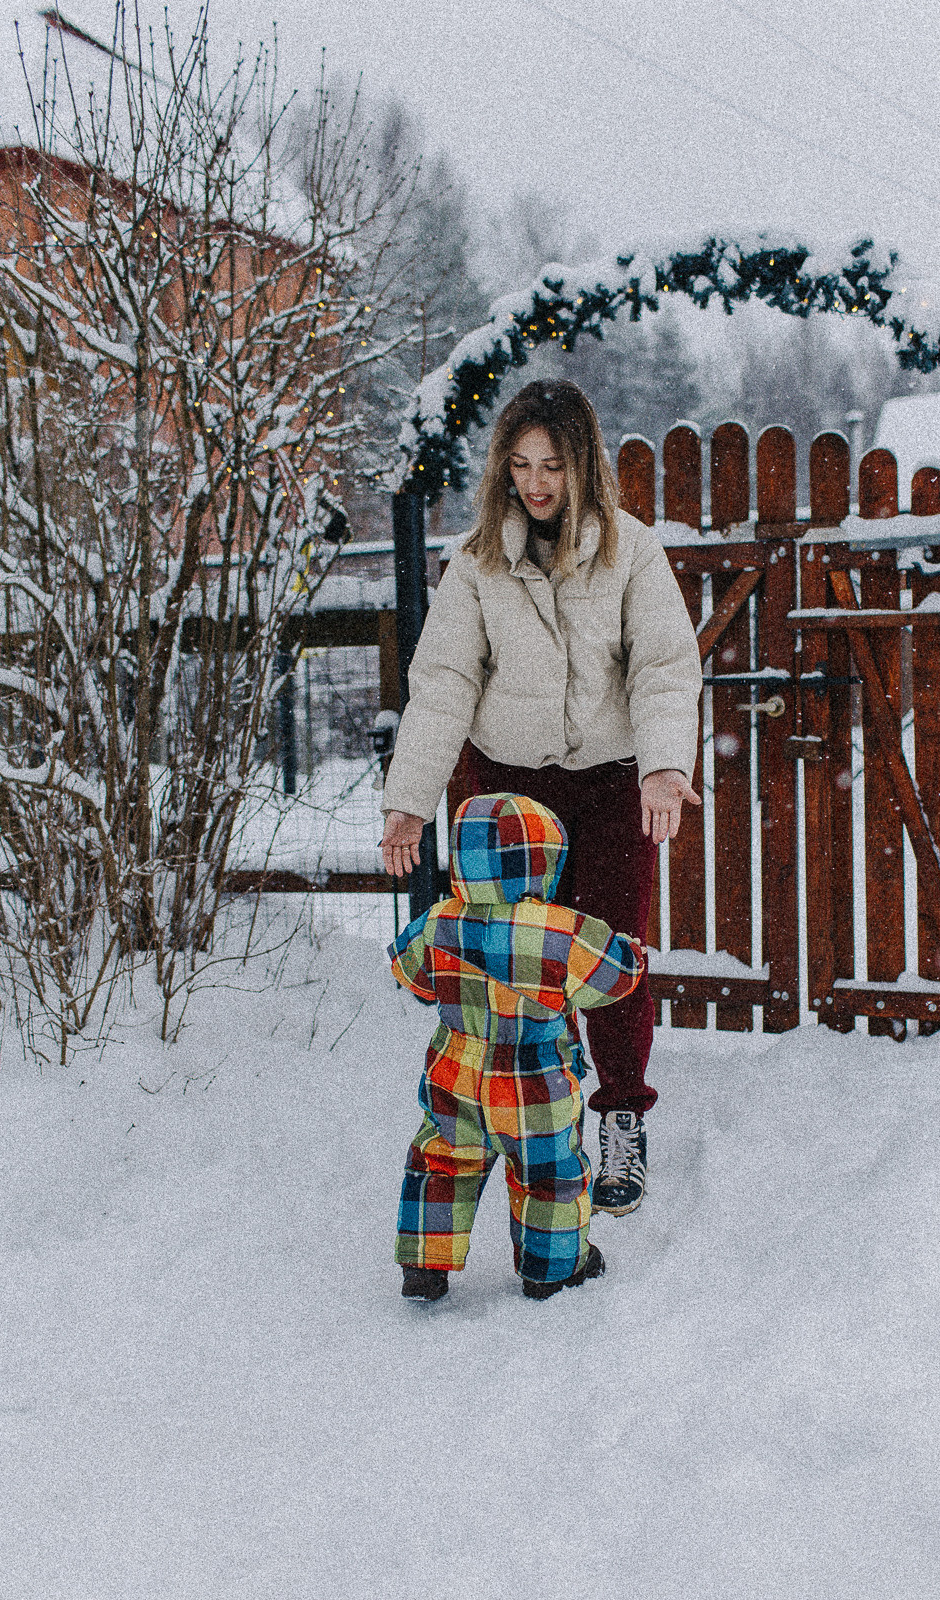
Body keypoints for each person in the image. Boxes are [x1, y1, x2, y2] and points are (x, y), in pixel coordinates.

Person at [381, 378, 702, 1216]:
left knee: (612, 953)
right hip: (510, 793)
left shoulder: (632, 551)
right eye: (521, 465)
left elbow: (664, 666)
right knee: (514, 963)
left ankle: (622, 1117)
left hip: (605, 783)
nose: (536, 482)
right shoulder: (479, 562)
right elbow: (444, 681)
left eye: (552, 465)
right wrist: (409, 797)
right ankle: (517, 1115)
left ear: (583, 465)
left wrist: (664, 766)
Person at [392, 791, 644, 1301]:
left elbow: (411, 975)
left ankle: (425, 1263)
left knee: (442, 1160)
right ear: (543, 860)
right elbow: (613, 979)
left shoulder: (439, 921)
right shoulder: (561, 933)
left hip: (454, 1074)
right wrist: (632, 955)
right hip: (533, 1084)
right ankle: (551, 1270)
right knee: (549, 1173)